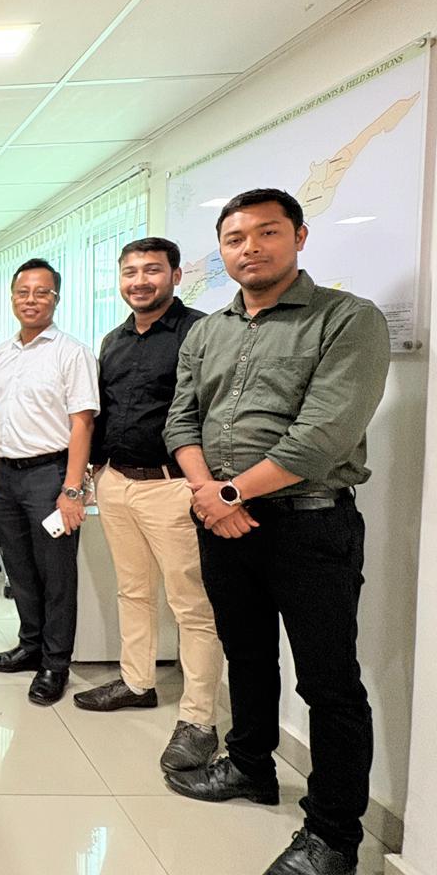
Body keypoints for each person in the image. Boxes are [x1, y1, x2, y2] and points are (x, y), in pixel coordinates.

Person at [163, 189, 389, 875]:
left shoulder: (348, 319)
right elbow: (181, 421)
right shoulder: (209, 331)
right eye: (235, 239)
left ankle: (333, 835)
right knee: (248, 655)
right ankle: (252, 766)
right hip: (224, 523)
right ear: (221, 250)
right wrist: (211, 497)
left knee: (329, 683)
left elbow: (320, 438)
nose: (250, 248)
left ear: (300, 236)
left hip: (310, 523)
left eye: (266, 233)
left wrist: (226, 493)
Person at [75, 237, 224, 774]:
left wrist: (203, 485)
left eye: (152, 271)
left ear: (176, 275)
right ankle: (137, 681)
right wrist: (93, 474)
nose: (140, 281)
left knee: (192, 604)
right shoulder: (113, 340)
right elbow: (106, 411)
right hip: (117, 481)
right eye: (131, 271)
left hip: (174, 486)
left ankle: (199, 719)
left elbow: (211, 412)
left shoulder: (201, 332)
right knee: (133, 589)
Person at [0, 258, 99, 706]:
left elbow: (82, 423)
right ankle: (30, 646)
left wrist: (72, 489)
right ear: (12, 298)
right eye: (23, 292)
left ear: (56, 298)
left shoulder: (71, 352)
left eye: (41, 292)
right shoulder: (2, 352)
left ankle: (55, 663)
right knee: (21, 569)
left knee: (57, 575)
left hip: (50, 474)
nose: (31, 300)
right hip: (7, 475)